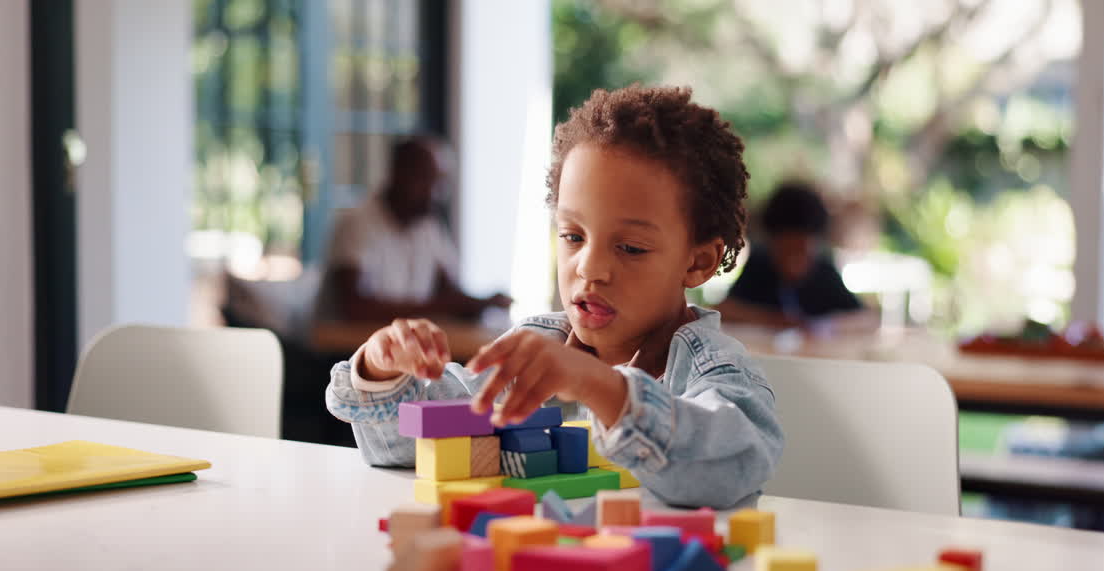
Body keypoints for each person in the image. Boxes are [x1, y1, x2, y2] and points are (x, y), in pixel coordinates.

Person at [325, 86, 783, 509]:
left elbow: (730, 468)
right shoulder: (537, 346)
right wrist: (382, 370)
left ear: (698, 262)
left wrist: (599, 385)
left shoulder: (715, 369)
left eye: (630, 248)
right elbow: (412, 446)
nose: (589, 268)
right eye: (572, 236)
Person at [318, 137, 510, 323]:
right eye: (426, 179)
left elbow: (449, 293)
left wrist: (479, 304)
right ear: (398, 173)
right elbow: (355, 309)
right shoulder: (356, 223)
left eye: (439, 182)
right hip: (349, 344)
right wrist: (444, 306)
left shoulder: (428, 228)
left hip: (401, 342)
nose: (434, 192)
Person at [717, 182, 874, 332]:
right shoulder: (759, 266)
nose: (793, 262)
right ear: (771, 243)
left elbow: (866, 318)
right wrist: (774, 321)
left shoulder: (824, 271)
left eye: (801, 252)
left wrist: (826, 326)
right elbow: (722, 310)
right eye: (787, 251)